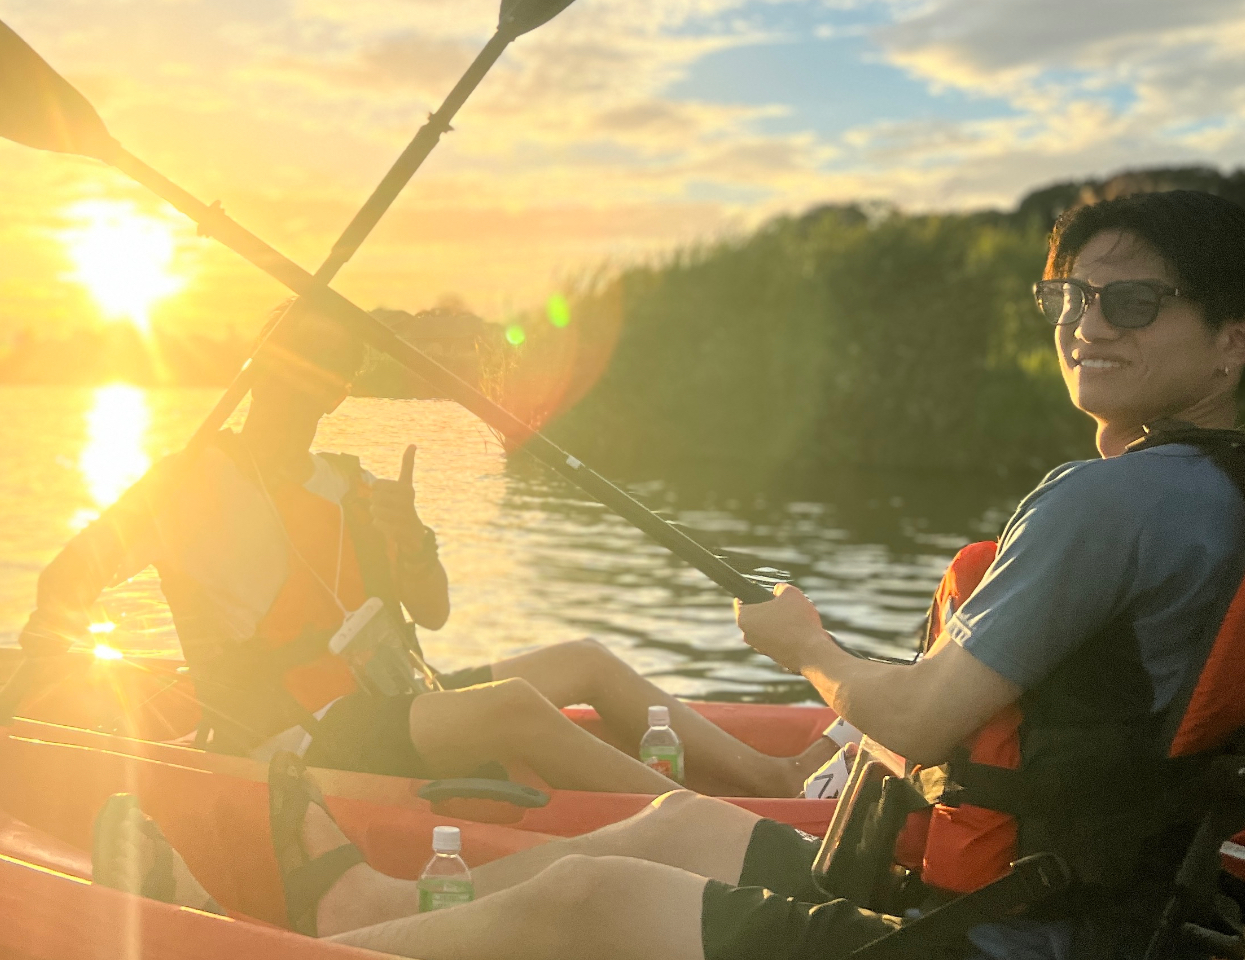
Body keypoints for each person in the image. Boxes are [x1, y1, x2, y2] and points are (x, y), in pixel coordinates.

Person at [95, 189, 1244, 960]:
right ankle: (362, 915)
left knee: (587, 900)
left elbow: (914, 716)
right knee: (682, 822)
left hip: (996, 930)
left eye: (1129, 303)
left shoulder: (1112, 502)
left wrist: (806, 651)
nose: (1084, 325)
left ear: (1232, 337)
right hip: (1062, 902)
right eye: (1066, 300)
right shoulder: (1204, 493)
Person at [0, 299, 833, 798]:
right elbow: (68, 576)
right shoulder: (188, 483)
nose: (312, 383)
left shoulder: (349, 482)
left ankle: (771, 782)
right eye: (297, 362)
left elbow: (427, 610)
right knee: (510, 709)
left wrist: (412, 538)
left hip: (394, 698)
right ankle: (724, 826)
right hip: (288, 737)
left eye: (330, 369)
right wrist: (54, 653)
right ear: (258, 369)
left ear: (342, 390)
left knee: (584, 658)